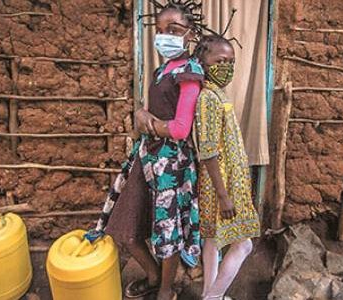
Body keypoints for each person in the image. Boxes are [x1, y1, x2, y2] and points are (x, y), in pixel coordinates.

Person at [94, 1, 205, 299]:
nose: (166, 36)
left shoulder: (190, 73)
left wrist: (145, 119)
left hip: (172, 165)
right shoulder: (162, 70)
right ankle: (154, 275)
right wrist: (146, 118)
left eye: (175, 30)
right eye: (160, 31)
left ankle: (166, 290)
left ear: (190, 34)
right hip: (147, 156)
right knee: (125, 219)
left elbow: (180, 129)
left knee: (168, 230)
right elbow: (157, 113)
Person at [194, 34, 261, 300]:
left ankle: (208, 294)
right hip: (220, 185)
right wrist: (223, 196)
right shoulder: (208, 98)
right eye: (221, 60)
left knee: (212, 239)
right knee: (243, 244)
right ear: (203, 61)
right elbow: (208, 151)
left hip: (222, 182)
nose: (228, 67)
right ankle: (214, 296)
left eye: (232, 62)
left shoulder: (216, 93)